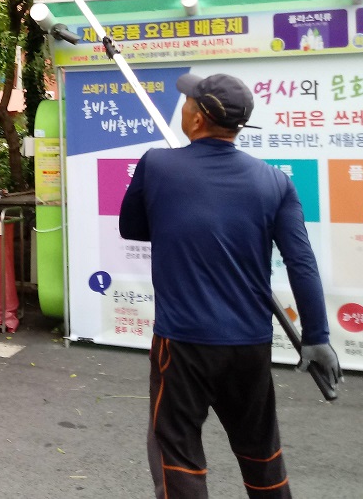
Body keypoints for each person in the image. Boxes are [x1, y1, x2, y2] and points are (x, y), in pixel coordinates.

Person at [119, 72, 342, 499]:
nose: (181, 107)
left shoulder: (157, 163)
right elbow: (301, 262)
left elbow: (132, 228)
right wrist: (317, 337)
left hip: (181, 346)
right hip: (249, 346)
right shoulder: (276, 181)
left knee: (177, 456)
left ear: (199, 118)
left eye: (188, 102)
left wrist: (171, 212)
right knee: (261, 454)